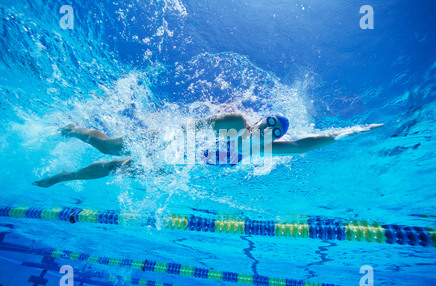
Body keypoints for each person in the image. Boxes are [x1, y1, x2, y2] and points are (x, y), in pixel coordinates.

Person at [33, 112, 383, 187]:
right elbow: (187, 128)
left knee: (118, 168)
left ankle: (67, 176)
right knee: (106, 144)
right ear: (259, 122)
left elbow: (306, 146)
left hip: (177, 161)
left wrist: (350, 131)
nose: (268, 133)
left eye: (274, 132)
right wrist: (163, 144)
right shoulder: (234, 122)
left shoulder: (260, 152)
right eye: (268, 125)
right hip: (169, 142)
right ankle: (75, 129)